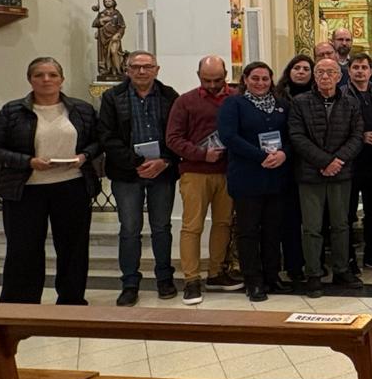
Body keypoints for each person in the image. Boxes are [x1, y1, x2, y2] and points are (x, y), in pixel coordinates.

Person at [0, 57, 100, 305]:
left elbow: (98, 141)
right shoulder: (12, 111)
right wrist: (28, 161)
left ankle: (71, 302)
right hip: (26, 190)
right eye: (39, 75)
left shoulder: (82, 110)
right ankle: (21, 306)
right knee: (23, 249)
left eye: (52, 75)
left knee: (73, 249)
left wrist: (84, 156)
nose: (46, 80)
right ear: (30, 80)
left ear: (61, 79)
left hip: (72, 186)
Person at [98, 50, 180, 307]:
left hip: (162, 172)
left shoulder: (170, 96)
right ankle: (130, 283)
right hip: (126, 174)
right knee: (130, 229)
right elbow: (106, 136)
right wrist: (136, 163)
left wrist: (164, 161)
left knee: (161, 227)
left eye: (147, 67)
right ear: (127, 70)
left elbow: (178, 133)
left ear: (157, 69)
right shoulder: (112, 97)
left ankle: (164, 278)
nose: (141, 71)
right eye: (136, 66)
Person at [165, 55, 240, 304]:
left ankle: (216, 272)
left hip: (228, 172)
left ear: (226, 75)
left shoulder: (236, 98)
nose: (212, 85)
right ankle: (191, 279)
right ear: (198, 76)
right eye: (207, 80)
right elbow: (173, 138)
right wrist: (201, 154)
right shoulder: (185, 101)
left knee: (223, 223)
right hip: (195, 172)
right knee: (192, 226)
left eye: (217, 80)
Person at [288, 58, 364, 297]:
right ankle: (313, 274)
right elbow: (297, 136)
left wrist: (337, 160)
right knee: (312, 227)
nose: (325, 76)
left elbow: (357, 135)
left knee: (341, 225)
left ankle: (341, 270)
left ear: (339, 77)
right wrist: (324, 161)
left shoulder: (351, 103)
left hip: (341, 173)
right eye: (320, 72)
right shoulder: (300, 102)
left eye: (331, 72)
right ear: (314, 76)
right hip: (310, 174)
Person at [217, 61, 292, 302]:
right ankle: (253, 280)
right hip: (247, 176)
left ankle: (272, 275)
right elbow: (229, 136)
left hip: (276, 177)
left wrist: (284, 154)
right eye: (255, 78)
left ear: (271, 80)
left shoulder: (282, 105)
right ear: (245, 80)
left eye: (265, 79)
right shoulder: (233, 104)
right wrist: (261, 156)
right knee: (248, 231)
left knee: (273, 230)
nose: (260, 83)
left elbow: (292, 135)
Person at [342, 54, 372, 272]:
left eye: (364, 67)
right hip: (352, 163)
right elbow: (337, 127)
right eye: (356, 67)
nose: (360, 71)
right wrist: (360, 137)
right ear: (349, 71)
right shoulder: (342, 94)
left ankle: (371, 255)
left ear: (371, 71)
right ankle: (349, 259)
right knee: (348, 214)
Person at [274, 55, 313, 281]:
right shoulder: (277, 97)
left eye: (306, 68)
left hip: (311, 164)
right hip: (285, 163)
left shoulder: (318, 96)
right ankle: (293, 265)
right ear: (289, 71)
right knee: (289, 219)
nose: (301, 72)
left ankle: (313, 263)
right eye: (297, 68)